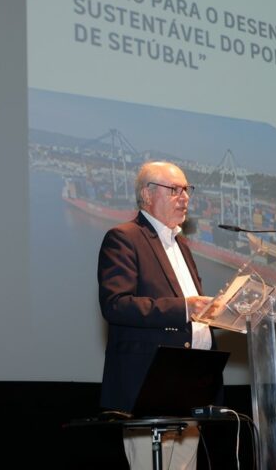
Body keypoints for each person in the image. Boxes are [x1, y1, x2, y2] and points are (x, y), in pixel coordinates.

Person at [97, 161, 216, 469]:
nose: (185, 197)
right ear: (147, 194)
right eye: (174, 190)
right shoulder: (124, 238)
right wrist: (187, 307)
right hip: (148, 388)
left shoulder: (181, 246)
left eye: (187, 190)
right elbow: (116, 304)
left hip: (191, 384)